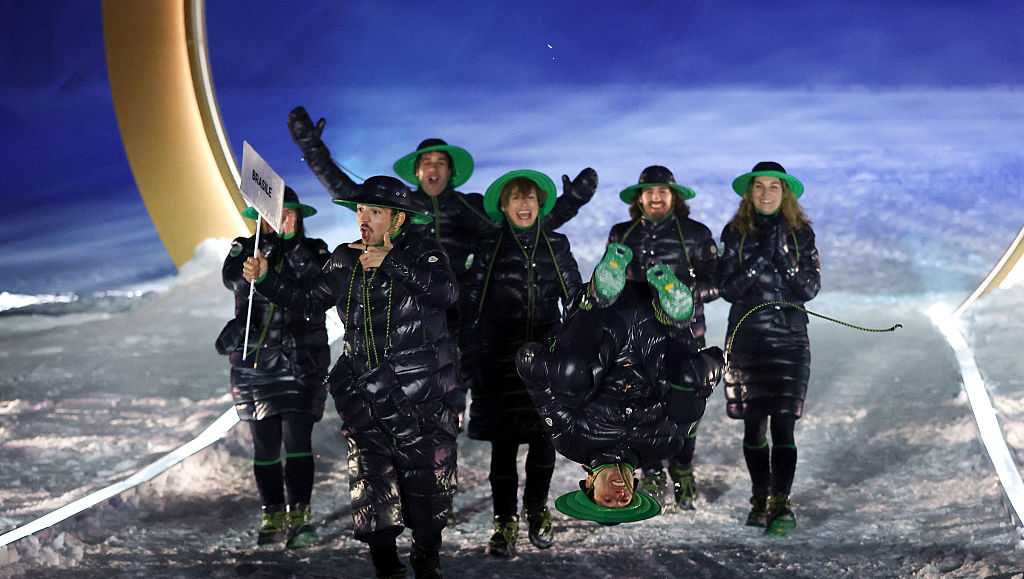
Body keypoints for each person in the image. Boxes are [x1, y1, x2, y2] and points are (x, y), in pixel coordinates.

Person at [286, 106, 597, 428]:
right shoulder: (398, 207)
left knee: (448, 392)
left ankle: (449, 426)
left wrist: (570, 201)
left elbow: (521, 228)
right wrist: (311, 147)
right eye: (426, 163)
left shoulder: (468, 207)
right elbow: (346, 190)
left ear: (450, 172)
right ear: (417, 172)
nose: (433, 168)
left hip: (456, 309)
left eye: (440, 163)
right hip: (401, 310)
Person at [242, 176, 459, 578]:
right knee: (372, 488)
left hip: (420, 397)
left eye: (374, 211)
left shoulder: (425, 252)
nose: (364, 218)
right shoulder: (344, 258)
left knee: (426, 488)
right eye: (361, 210)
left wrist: (392, 262)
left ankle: (427, 556)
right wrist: (267, 279)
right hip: (365, 395)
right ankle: (385, 565)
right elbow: (310, 302)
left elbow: (447, 295)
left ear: (397, 219)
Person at [515, 245, 724, 525]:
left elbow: (538, 385)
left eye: (607, 499)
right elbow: (700, 383)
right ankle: (677, 313)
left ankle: (597, 295)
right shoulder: (664, 446)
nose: (618, 494)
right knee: (686, 405)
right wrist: (707, 373)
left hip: (604, 325)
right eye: (624, 500)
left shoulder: (571, 441)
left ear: (588, 484)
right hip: (655, 331)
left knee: (568, 379)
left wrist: (542, 361)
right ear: (635, 488)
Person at [460, 170, 582, 557]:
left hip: (546, 358)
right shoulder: (488, 246)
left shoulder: (556, 244)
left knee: (544, 442)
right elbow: (471, 305)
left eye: (530, 198)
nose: (524, 204)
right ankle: (504, 522)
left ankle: (536, 512)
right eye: (516, 198)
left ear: (540, 204)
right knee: (504, 447)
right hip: (498, 359)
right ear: (503, 205)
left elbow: (575, 295)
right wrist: (469, 355)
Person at [218, 187, 330, 548]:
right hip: (255, 363)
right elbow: (231, 280)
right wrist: (254, 264)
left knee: (298, 439)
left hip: (301, 360)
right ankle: (272, 513)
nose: (278, 219)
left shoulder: (315, 250)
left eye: (286, 213)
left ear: (298, 217)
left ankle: (301, 515)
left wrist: (290, 244)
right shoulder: (244, 248)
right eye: (269, 213)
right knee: (264, 444)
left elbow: (317, 281)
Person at [607, 165, 720, 510]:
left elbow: (718, 283)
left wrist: (681, 293)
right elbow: (608, 284)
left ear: (674, 196)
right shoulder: (621, 234)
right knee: (645, 408)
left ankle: (683, 470)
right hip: (638, 339)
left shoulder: (697, 234)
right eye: (649, 192)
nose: (655, 197)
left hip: (686, 334)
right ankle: (653, 471)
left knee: (686, 406)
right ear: (639, 198)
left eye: (662, 191)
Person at [718, 161, 821, 537]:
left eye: (773, 187)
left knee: (783, 426)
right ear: (750, 194)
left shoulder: (801, 234)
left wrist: (783, 260)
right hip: (747, 338)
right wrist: (763, 255)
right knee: (753, 427)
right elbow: (727, 288)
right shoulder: (735, 233)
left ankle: (781, 502)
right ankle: (759, 498)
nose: (765, 194)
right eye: (758, 187)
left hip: (789, 338)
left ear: (785, 193)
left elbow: (809, 289)